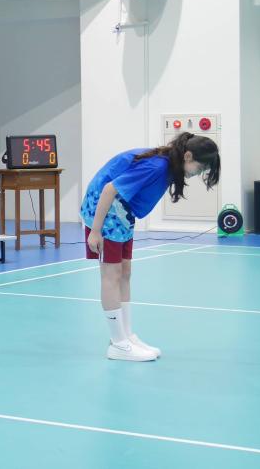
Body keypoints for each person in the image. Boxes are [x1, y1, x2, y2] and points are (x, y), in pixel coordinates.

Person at [82, 133, 220, 362]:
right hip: (105, 212)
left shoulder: (170, 165)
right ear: (188, 156)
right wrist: (95, 231)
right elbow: (108, 190)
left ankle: (126, 335)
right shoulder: (156, 167)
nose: (200, 173)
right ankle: (118, 343)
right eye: (201, 166)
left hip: (122, 211)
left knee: (125, 272)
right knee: (111, 274)